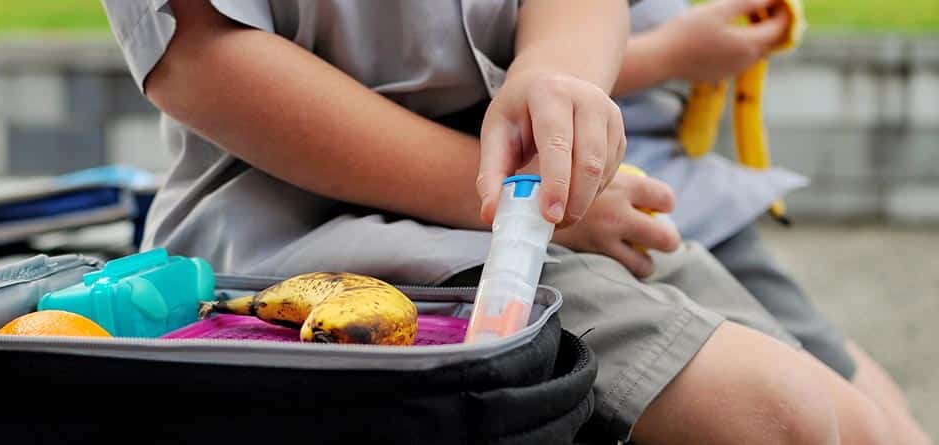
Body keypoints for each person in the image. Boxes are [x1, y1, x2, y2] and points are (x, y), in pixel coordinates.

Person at [100, 0, 918, 443]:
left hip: (572, 208)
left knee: (870, 421)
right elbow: (200, 59)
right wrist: (505, 188)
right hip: (308, 233)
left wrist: (556, 80)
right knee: (774, 413)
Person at [613, 0, 932, 442]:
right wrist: (672, 53)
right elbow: (529, 76)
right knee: (852, 421)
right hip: (632, 218)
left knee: (880, 407)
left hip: (692, 202)